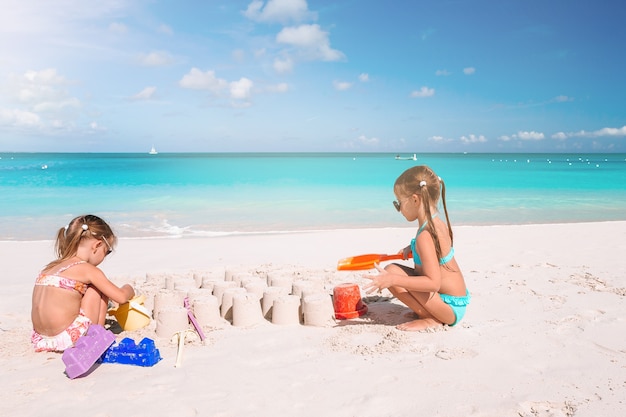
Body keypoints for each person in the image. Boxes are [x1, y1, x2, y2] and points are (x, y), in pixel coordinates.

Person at [364, 166, 470, 331]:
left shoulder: (425, 237)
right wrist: (412, 248)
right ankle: (428, 313)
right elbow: (437, 252)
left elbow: (433, 283)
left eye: (399, 204)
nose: (399, 209)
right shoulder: (435, 225)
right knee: (391, 268)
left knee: (391, 275)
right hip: (453, 301)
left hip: (448, 308)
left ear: (415, 200)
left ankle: (429, 318)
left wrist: (392, 280)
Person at [31, 215, 135, 352]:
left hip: (41, 338)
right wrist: (129, 289)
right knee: (97, 288)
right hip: (69, 338)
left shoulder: (50, 267)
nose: (105, 257)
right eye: (107, 251)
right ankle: (98, 334)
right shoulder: (88, 270)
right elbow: (121, 297)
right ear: (97, 245)